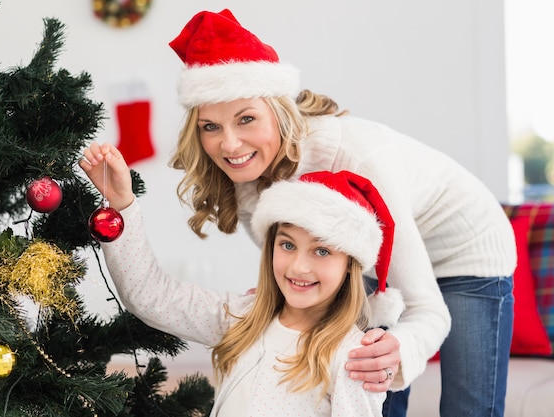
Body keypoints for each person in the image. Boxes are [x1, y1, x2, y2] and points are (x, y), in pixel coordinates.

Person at [161, 9, 516, 417]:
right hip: (371, 257)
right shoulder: (247, 177)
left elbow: (425, 308)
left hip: (466, 249)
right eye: (211, 127)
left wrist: (400, 348)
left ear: (279, 112)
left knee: (467, 407)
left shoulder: (356, 157)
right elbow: (295, 265)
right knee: (369, 377)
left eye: (247, 119)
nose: (230, 144)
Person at [81, 162, 405, 416]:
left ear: (350, 265)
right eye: (288, 245)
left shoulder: (353, 358)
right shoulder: (242, 318)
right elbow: (151, 295)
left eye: (322, 251)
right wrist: (122, 203)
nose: (298, 267)